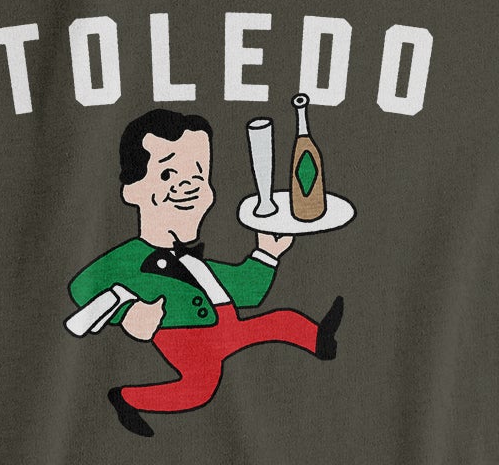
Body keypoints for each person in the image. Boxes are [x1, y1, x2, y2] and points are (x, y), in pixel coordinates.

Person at [67, 107, 343, 437]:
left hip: (223, 324)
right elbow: (82, 287)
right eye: (167, 174)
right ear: (131, 190)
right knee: (199, 388)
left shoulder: (197, 263)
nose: (189, 185)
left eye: (199, 174)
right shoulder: (129, 258)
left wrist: (267, 254)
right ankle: (126, 399)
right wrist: (127, 311)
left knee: (280, 320)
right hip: (183, 335)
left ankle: (319, 339)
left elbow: (248, 291)